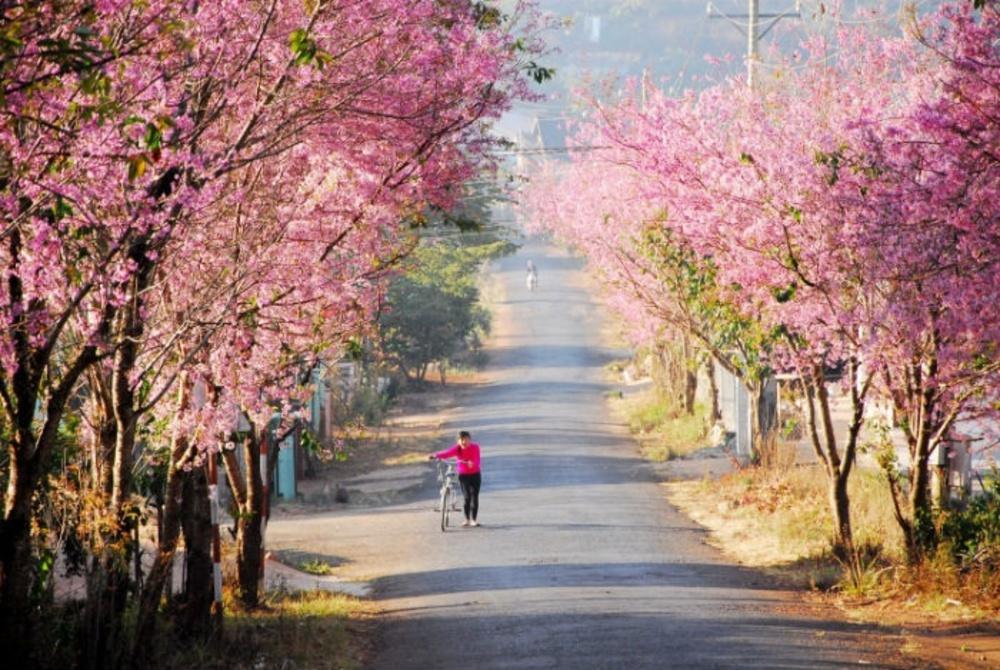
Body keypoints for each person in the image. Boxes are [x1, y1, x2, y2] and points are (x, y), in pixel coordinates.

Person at [429, 430, 482, 527]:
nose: (464, 442)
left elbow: (477, 459)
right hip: (464, 475)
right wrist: (435, 455)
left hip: (475, 474)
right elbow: (446, 453)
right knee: (467, 497)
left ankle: (473, 520)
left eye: (466, 439)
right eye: (461, 440)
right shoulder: (457, 449)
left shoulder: (475, 447)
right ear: (458, 441)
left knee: (474, 496)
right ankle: (467, 519)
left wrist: (472, 463)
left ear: (470, 439)